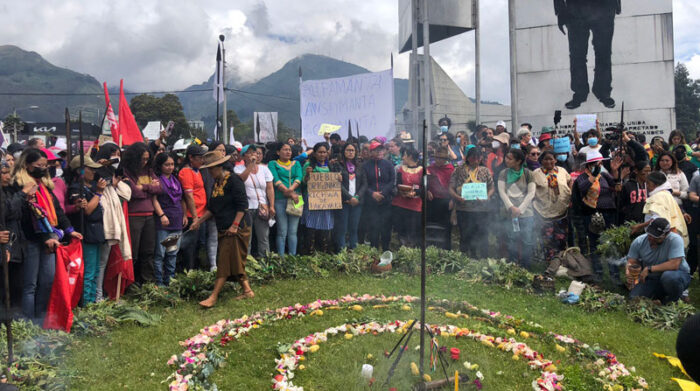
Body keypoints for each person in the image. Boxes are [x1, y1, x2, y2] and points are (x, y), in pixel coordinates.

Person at [13, 148, 82, 322]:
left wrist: (69, 230)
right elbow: (28, 217)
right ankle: (28, 324)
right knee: (30, 285)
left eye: (45, 165)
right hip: (31, 239)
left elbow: (57, 211)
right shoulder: (21, 185)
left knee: (47, 281)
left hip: (50, 237)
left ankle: (42, 319)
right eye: (39, 165)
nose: (44, 168)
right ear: (27, 165)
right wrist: (46, 238)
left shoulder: (44, 186)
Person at [190, 152, 253, 307]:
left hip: (237, 227)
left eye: (211, 169)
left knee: (224, 261)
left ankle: (213, 296)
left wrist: (234, 225)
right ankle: (247, 290)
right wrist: (198, 221)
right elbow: (212, 208)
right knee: (234, 259)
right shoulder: (217, 183)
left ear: (220, 167)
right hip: (223, 227)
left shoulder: (234, 180)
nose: (209, 172)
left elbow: (242, 205)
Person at [554, 0, 621, 109]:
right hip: (575, 10)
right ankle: (580, 93)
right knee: (577, 55)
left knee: (604, 53)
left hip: (604, 8)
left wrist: (616, 4)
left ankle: (603, 91)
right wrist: (560, 11)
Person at [66, 155, 107, 304]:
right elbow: (88, 210)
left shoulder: (93, 185)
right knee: (89, 271)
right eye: (90, 169)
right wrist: (98, 193)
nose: (94, 173)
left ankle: (92, 300)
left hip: (97, 231)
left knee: (96, 269)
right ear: (81, 171)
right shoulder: (76, 188)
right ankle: (87, 303)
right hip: (86, 231)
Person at [93, 144, 131, 301]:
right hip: (100, 223)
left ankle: (99, 294)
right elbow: (103, 183)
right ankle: (96, 296)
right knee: (96, 264)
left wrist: (116, 171)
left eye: (118, 155)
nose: (116, 158)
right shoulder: (96, 171)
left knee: (103, 262)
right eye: (113, 155)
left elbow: (127, 191)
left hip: (109, 223)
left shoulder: (115, 172)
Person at [573, 150, 618, 280]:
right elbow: (582, 188)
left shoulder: (604, 176)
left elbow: (615, 186)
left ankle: (614, 273)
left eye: (598, 163)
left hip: (608, 212)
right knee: (594, 243)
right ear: (588, 165)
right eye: (593, 164)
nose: (597, 165)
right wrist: (593, 176)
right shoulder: (582, 177)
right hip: (591, 214)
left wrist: (615, 172)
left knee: (610, 243)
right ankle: (598, 272)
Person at [121, 142, 162, 284]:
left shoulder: (149, 170)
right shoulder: (126, 171)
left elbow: (159, 189)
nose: (144, 162)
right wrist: (149, 189)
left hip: (149, 215)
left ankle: (148, 282)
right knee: (133, 252)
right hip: (134, 216)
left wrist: (143, 187)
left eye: (147, 159)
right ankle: (131, 282)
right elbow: (134, 192)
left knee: (148, 251)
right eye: (142, 159)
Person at [626, 218, 691, 304]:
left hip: (677, 274)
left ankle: (673, 300)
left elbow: (674, 264)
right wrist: (630, 273)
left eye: (656, 237)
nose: (652, 238)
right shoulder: (639, 241)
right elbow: (631, 261)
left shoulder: (675, 240)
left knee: (669, 277)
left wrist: (649, 269)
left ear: (666, 234)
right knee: (634, 298)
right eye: (650, 235)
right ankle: (660, 297)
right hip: (653, 278)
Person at [450, 146, 494, 257]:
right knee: (465, 234)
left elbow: (491, 187)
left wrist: (487, 197)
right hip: (464, 208)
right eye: (473, 157)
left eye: (478, 157)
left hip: (482, 209)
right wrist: (457, 197)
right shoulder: (459, 170)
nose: (476, 160)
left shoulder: (485, 171)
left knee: (482, 234)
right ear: (467, 157)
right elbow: (451, 187)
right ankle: (465, 258)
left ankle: (484, 259)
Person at [498, 148, 536, 269]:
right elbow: (502, 192)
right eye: (506, 157)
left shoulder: (528, 173)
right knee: (511, 238)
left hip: (526, 213)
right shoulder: (503, 173)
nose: (506, 160)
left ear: (518, 161)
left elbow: (531, 193)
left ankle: (526, 266)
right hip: (509, 212)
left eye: (510, 158)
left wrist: (520, 209)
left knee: (526, 240)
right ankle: (513, 265)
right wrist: (511, 207)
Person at [152, 153, 187, 286]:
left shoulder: (175, 180)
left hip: (176, 221)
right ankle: (159, 283)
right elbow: (154, 200)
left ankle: (170, 282)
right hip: (163, 222)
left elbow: (182, 199)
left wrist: (184, 215)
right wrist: (161, 215)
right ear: (160, 166)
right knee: (160, 254)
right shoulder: (157, 181)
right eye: (167, 165)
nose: (170, 167)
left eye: (172, 164)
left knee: (172, 253)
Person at [235, 145, 275, 258]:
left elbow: (270, 188)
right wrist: (251, 165)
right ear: (243, 156)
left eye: (256, 152)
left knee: (263, 237)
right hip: (246, 208)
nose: (254, 155)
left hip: (262, 207)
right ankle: (246, 263)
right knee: (247, 237)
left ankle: (265, 261)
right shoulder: (238, 169)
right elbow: (241, 179)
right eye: (250, 152)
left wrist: (271, 205)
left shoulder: (264, 169)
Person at [533, 151, 572, 264]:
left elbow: (570, 181)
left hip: (562, 211)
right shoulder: (536, 173)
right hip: (544, 212)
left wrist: (570, 194)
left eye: (551, 159)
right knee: (548, 239)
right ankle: (550, 264)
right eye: (546, 159)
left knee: (561, 238)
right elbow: (531, 189)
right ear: (541, 161)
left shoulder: (562, 171)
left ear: (555, 160)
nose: (549, 161)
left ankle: (561, 261)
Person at [633, 171, 689, 248]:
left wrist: (640, 226)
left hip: (664, 239)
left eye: (648, 183)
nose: (647, 186)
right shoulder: (665, 194)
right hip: (673, 237)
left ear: (655, 184)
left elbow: (657, 220)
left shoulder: (658, 197)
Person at [268, 142, 303, 256]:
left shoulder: (296, 163)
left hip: (297, 198)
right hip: (279, 199)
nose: (288, 152)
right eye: (285, 149)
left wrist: (291, 191)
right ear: (278, 152)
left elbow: (299, 177)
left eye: (289, 150)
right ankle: (281, 257)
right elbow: (275, 179)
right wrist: (287, 192)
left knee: (293, 231)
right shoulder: (272, 164)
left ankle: (292, 256)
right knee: (282, 231)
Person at [331, 143, 367, 251]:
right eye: (348, 150)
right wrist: (349, 197)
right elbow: (337, 184)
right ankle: (341, 254)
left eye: (352, 150)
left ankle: (353, 253)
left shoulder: (360, 166)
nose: (350, 152)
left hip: (357, 203)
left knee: (354, 229)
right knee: (342, 229)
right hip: (343, 202)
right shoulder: (337, 165)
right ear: (343, 152)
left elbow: (364, 184)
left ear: (356, 152)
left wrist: (357, 197)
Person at [178, 144, 207, 271]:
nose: (202, 160)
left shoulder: (197, 170)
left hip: (201, 213)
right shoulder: (186, 172)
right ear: (191, 158)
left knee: (198, 244)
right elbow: (188, 196)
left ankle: (195, 268)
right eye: (199, 158)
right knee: (190, 245)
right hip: (193, 215)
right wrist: (195, 218)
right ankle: (188, 270)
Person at [301, 143, 334, 254]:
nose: (322, 154)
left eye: (324, 152)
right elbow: (303, 182)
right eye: (319, 152)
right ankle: (309, 251)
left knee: (326, 224)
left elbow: (334, 183)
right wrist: (307, 175)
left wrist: (338, 178)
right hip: (311, 200)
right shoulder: (308, 165)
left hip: (327, 201)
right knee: (311, 225)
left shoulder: (330, 165)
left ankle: (324, 251)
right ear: (314, 153)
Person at [361, 141, 395, 250]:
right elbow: (363, 183)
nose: (379, 152)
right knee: (373, 228)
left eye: (381, 149)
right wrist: (372, 193)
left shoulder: (388, 164)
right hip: (371, 202)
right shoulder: (365, 166)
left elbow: (392, 181)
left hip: (386, 201)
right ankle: (374, 252)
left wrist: (383, 193)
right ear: (371, 152)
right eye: (376, 150)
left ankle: (386, 250)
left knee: (386, 228)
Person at [391, 148, 423, 247]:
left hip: (414, 205)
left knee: (413, 230)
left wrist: (415, 193)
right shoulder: (401, 169)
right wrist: (402, 192)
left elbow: (425, 187)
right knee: (401, 230)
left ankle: (412, 250)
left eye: (404, 155)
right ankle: (402, 249)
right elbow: (398, 184)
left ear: (410, 156)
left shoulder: (422, 170)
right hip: (400, 203)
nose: (403, 157)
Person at [427, 146, 455, 249]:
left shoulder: (451, 170)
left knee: (446, 227)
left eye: (441, 158)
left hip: (446, 202)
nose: (438, 160)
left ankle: (445, 250)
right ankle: (431, 248)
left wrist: (453, 200)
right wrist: (427, 191)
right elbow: (423, 184)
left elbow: (455, 187)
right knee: (431, 225)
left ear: (445, 159)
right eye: (437, 158)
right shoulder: (429, 169)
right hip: (432, 201)